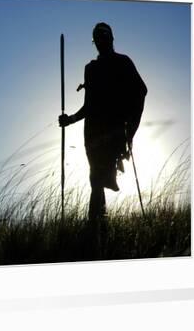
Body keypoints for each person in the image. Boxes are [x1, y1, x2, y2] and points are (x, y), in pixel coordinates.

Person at [59, 22, 147, 255]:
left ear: (111, 38)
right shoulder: (91, 69)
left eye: (104, 35)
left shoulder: (123, 62)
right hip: (92, 134)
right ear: (94, 41)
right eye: (97, 37)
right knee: (95, 181)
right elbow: (89, 106)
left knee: (97, 181)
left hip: (114, 131)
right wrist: (70, 120)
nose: (100, 40)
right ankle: (101, 231)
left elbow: (141, 91)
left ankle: (94, 233)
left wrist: (131, 128)